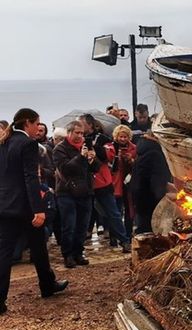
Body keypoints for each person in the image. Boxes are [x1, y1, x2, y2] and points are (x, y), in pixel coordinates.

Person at [0, 108, 68, 315]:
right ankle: (47, 286)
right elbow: (31, 178)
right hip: (25, 206)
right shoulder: (27, 144)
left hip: (4, 205)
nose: (39, 127)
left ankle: (45, 285)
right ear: (27, 123)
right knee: (37, 247)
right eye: (37, 123)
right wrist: (38, 210)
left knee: (7, 252)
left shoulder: (4, 141)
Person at [78, 114, 131, 252]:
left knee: (113, 212)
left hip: (102, 181)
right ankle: (78, 245)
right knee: (85, 214)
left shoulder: (102, 138)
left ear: (89, 124)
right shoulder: (78, 140)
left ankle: (124, 241)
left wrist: (95, 148)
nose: (79, 127)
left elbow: (109, 157)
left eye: (81, 124)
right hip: (84, 182)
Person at [53, 120, 99, 268]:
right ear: (69, 133)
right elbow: (66, 169)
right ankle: (68, 255)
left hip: (85, 191)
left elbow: (96, 169)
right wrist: (81, 157)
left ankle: (78, 252)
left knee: (82, 226)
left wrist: (92, 159)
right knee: (69, 225)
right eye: (77, 133)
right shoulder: (60, 149)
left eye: (82, 133)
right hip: (67, 192)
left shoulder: (85, 147)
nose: (80, 136)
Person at [130, 131, 171, 234]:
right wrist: (163, 196)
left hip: (139, 195)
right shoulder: (155, 153)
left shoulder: (142, 150)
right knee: (151, 230)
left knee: (142, 225)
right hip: (150, 198)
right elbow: (157, 178)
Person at [105, 125, 136, 237]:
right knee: (115, 211)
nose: (123, 139)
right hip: (115, 182)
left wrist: (131, 160)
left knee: (129, 211)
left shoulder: (134, 148)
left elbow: (137, 164)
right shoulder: (109, 148)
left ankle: (127, 234)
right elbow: (108, 164)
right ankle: (114, 236)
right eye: (121, 136)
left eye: (125, 136)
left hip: (128, 182)